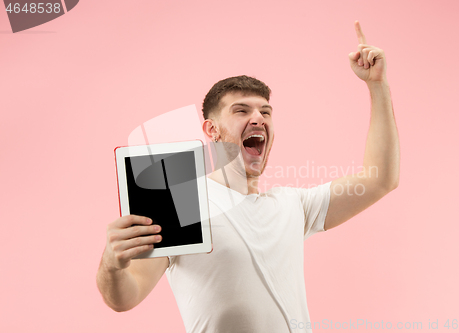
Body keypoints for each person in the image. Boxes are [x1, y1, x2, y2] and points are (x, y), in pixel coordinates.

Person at [96, 21, 400, 333]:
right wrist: (112, 263)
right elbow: (125, 297)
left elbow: (380, 179)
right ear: (212, 130)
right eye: (242, 111)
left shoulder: (294, 204)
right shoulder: (181, 202)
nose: (258, 118)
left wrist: (377, 85)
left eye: (266, 112)